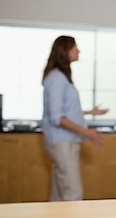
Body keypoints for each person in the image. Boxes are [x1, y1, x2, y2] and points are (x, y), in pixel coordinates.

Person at [42, 35, 108, 201]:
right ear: (65, 51)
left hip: (64, 142)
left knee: (58, 196)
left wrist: (89, 112)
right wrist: (87, 132)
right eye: (74, 47)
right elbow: (57, 117)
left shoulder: (59, 77)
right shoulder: (57, 78)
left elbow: (64, 110)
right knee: (73, 194)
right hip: (63, 142)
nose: (78, 50)